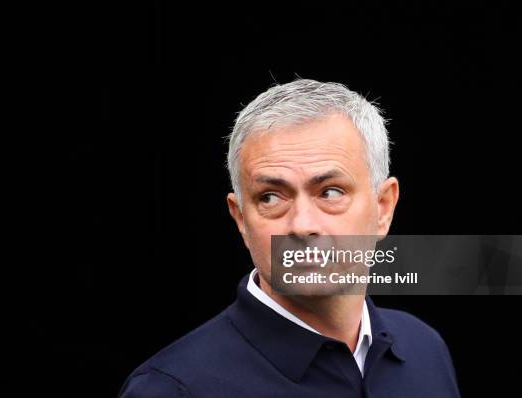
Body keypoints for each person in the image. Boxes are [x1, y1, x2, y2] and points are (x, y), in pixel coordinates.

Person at [119, 79, 460, 397]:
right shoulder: (172, 388)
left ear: (383, 208)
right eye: (270, 197)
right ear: (240, 219)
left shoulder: (425, 348)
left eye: (330, 191)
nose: (302, 225)